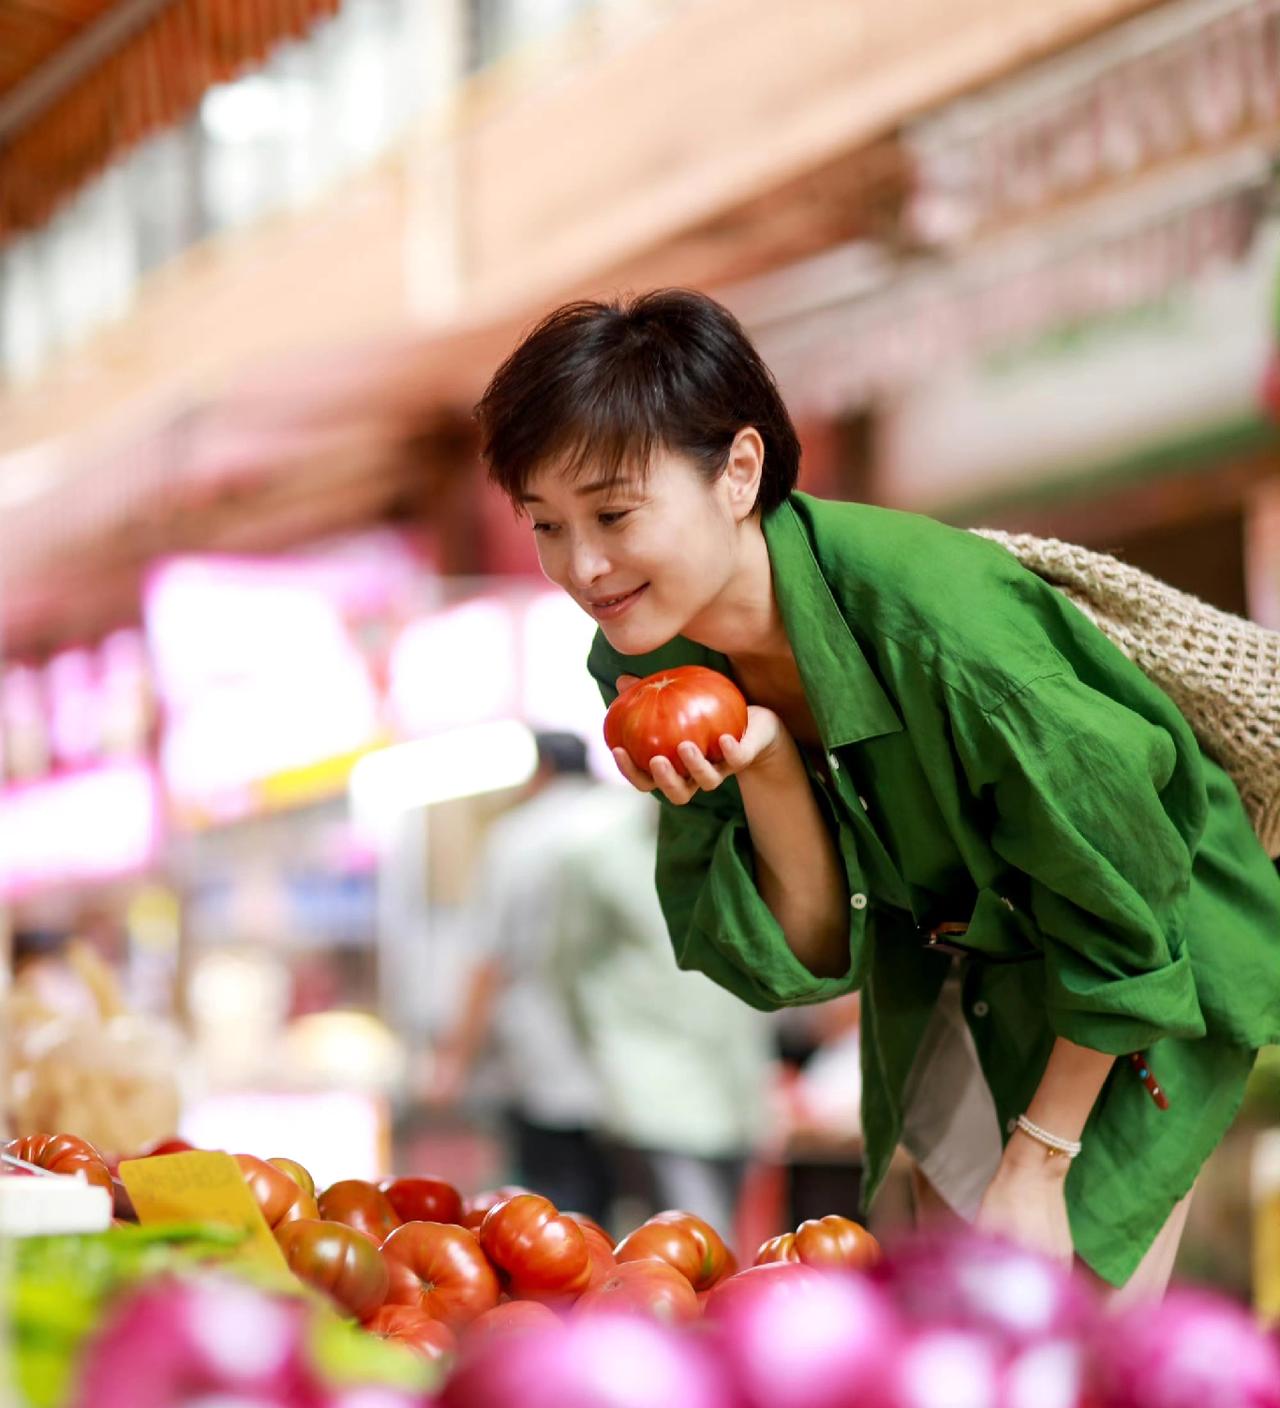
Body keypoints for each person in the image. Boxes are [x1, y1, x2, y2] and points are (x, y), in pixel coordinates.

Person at [473, 289, 1280, 1303]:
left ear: (738, 471)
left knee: (1062, 1330)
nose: (581, 566)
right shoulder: (646, 658)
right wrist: (767, 761)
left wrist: (1039, 1160)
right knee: (956, 1317)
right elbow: (807, 954)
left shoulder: (946, 627)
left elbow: (1128, 891)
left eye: (613, 513)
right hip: (958, 970)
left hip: (1141, 966)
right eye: (546, 524)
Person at [547, 788, 772, 1236]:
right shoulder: (597, 856)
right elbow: (567, 966)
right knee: (697, 1234)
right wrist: (604, 1058)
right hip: (648, 1076)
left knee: (719, 1230)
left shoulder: (747, 839)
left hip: (735, 1077)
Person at [429, 729, 613, 1222]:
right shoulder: (620, 824)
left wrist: (455, 1058)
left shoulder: (517, 838)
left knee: (552, 1215)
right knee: (613, 1209)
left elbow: (486, 958)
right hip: (627, 1062)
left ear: (542, 770)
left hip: (544, 1057)